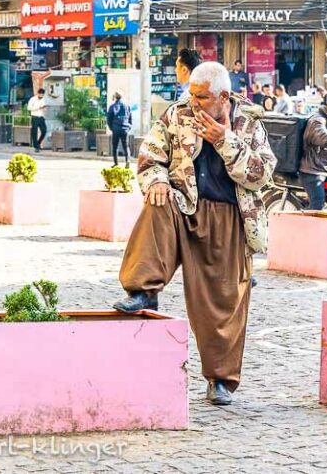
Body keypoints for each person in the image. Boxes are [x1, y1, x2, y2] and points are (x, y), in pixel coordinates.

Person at [113, 62, 276, 407]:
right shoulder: (177, 114)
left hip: (229, 216)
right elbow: (149, 156)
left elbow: (261, 175)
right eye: (193, 94)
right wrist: (156, 180)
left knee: (224, 303)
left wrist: (225, 140)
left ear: (223, 97)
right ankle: (143, 290)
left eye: (202, 97)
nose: (196, 102)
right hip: (185, 205)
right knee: (157, 202)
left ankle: (220, 380)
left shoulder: (248, 121)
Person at [106, 92, 133, 167]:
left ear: (115, 98)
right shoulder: (127, 106)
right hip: (125, 128)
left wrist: (112, 128)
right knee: (126, 146)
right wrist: (129, 126)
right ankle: (127, 160)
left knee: (115, 146)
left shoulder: (112, 106)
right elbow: (130, 118)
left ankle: (116, 163)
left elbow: (108, 119)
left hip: (116, 128)